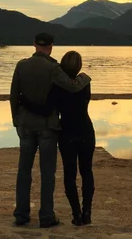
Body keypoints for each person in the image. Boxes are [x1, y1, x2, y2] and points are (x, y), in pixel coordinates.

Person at [10, 33, 91, 228]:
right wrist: (85, 78)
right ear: (51, 47)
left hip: (26, 125)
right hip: (48, 126)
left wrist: (16, 120)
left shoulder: (21, 65)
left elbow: (13, 95)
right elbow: (72, 87)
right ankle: (46, 216)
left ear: (34, 44)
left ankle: (21, 214)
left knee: (24, 170)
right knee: (47, 172)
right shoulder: (54, 68)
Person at [50, 51, 95, 226]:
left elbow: (53, 107)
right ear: (79, 66)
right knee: (87, 171)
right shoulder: (85, 83)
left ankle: (76, 213)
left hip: (67, 131)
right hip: (85, 129)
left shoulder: (56, 86)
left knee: (70, 174)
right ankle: (87, 212)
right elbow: (86, 102)